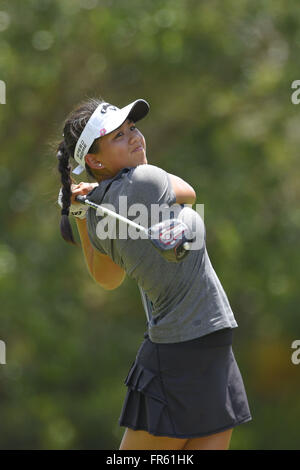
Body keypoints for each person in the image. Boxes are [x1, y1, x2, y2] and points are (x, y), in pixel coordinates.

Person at [56, 97, 252, 450]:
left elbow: (106, 278)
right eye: (119, 136)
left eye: (132, 128)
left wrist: (83, 213)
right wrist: (98, 196)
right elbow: (188, 192)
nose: (136, 138)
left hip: (206, 344)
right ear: (94, 160)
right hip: (183, 353)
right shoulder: (144, 181)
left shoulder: (101, 212)